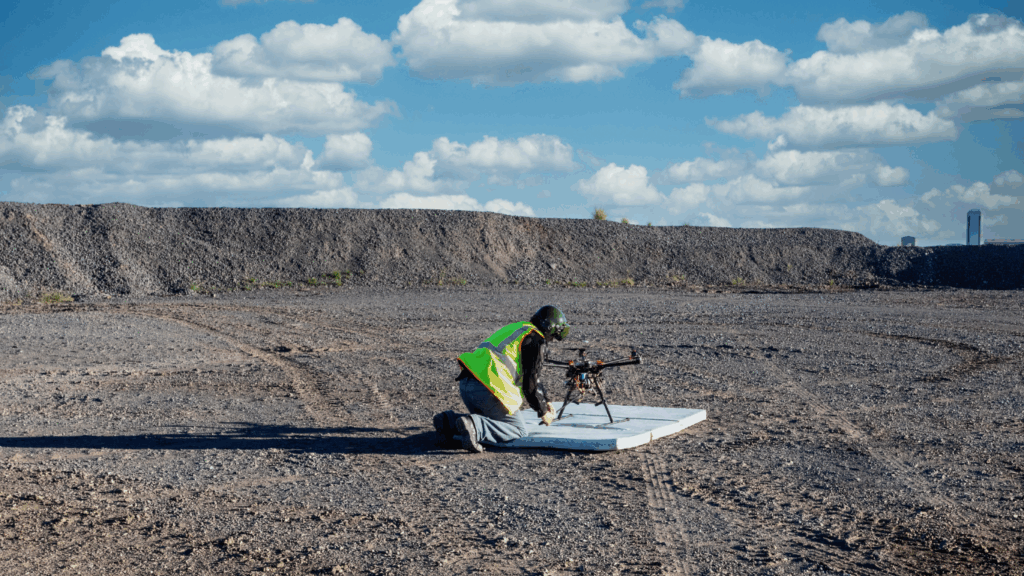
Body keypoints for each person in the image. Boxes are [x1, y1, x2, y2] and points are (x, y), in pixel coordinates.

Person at [434, 305, 570, 452]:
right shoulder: (537, 340)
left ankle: (449, 421)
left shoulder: (519, 329)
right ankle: (476, 427)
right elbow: (530, 386)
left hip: (468, 385)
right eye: (554, 336)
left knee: (494, 421)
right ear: (550, 328)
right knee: (518, 430)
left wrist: (546, 400)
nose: (552, 340)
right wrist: (542, 411)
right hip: (489, 390)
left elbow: (533, 377)